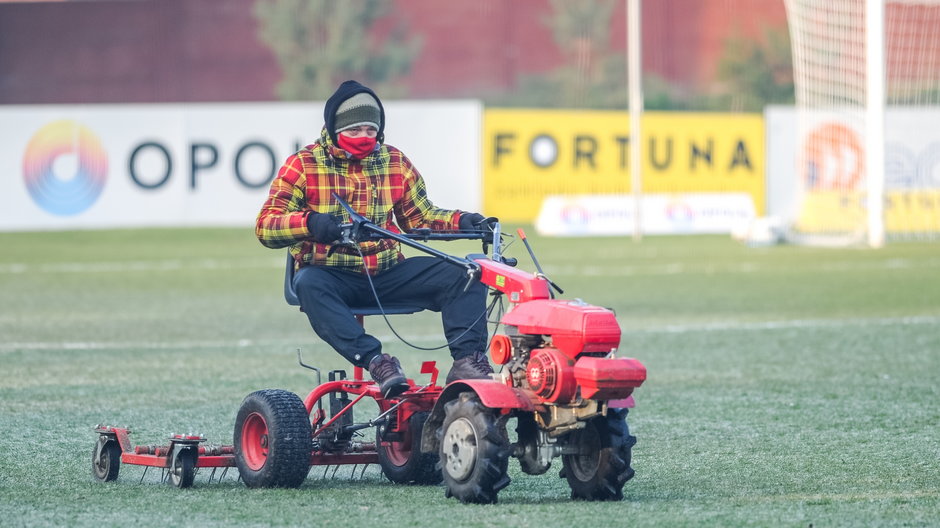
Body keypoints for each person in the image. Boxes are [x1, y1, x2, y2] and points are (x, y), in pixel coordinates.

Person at [256, 80, 495, 398]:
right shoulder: (303, 165)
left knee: (466, 273)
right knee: (309, 283)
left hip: (386, 272)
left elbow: (420, 218)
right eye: (355, 130)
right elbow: (266, 226)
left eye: (371, 130)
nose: (364, 137)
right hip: (330, 274)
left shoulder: (394, 162)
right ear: (335, 128)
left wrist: (465, 221)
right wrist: (311, 223)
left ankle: (468, 363)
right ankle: (379, 363)